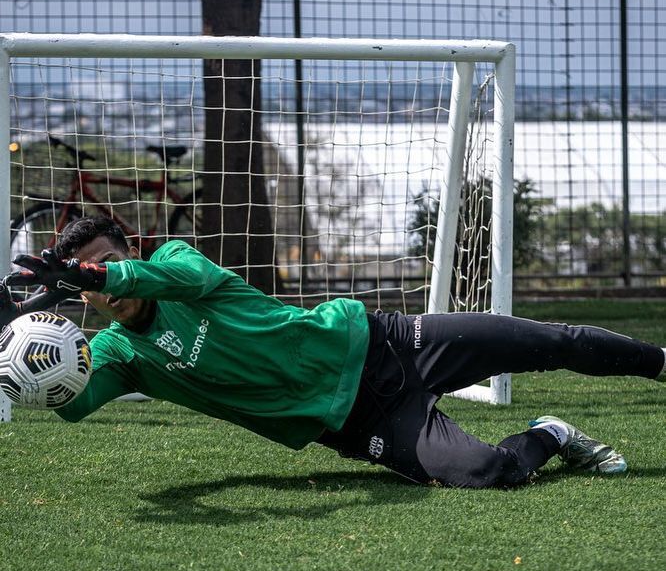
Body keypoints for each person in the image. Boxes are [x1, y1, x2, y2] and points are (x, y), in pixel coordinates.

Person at [2, 215, 664, 489]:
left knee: (553, 342)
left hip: (387, 344)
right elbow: (75, 401)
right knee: (487, 474)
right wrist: (18, 376)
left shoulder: (174, 262)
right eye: (84, 280)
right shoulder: (120, 354)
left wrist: (100, 276)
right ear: (75, 298)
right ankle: (553, 434)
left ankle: (660, 362)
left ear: (128, 255)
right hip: (359, 424)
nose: (103, 285)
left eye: (108, 266)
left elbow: (177, 279)